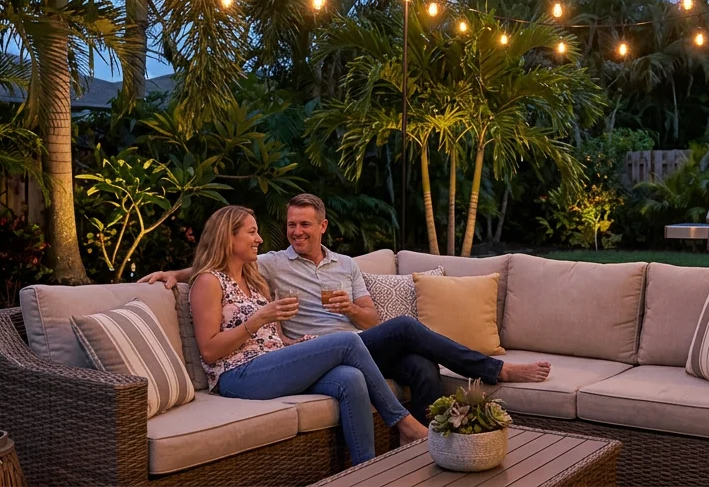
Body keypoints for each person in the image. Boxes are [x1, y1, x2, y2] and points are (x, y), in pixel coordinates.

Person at [142, 193, 550, 423]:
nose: (296, 232)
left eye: (305, 225)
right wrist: (173, 274)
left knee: (419, 366)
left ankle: (427, 448)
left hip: (360, 340)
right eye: (290, 225)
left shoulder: (348, 265)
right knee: (407, 332)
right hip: (315, 350)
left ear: (322, 226)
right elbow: (216, 264)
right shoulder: (270, 264)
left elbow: (372, 319)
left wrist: (352, 311)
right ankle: (493, 370)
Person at [181, 204, 428, 465]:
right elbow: (209, 351)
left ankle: (364, 470)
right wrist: (259, 319)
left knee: (350, 377)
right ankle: (405, 423)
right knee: (347, 340)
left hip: (271, 362)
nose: (259, 239)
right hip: (237, 374)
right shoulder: (209, 282)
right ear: (228, 237)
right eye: (252, 232)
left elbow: (274, 338)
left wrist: (294, 343)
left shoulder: (254, 279)